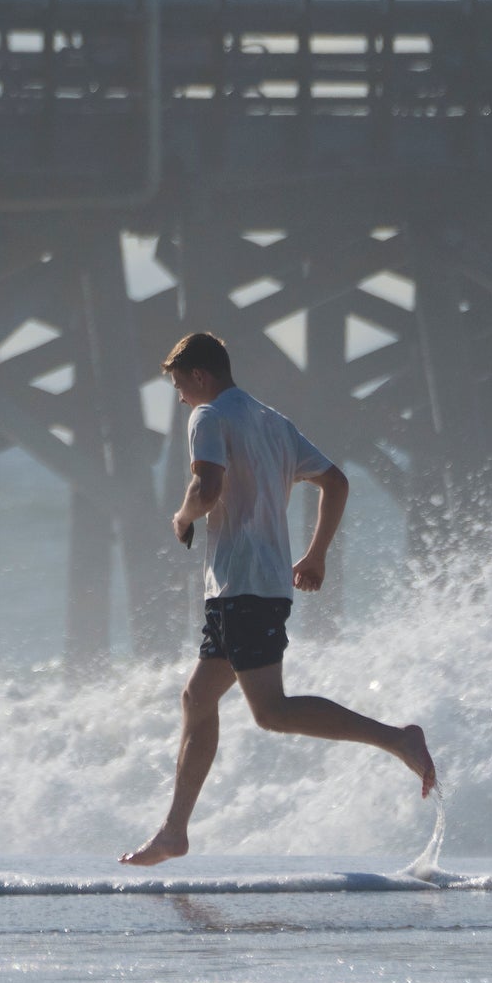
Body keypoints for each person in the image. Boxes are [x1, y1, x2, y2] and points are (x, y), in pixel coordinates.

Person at [122, 331, 436, 867]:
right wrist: (315, 556)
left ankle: (398, 739)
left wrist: (181, 516)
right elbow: (335, 482)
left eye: (179, 385)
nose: (178, 399)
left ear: (200, 376)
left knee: (270, 711)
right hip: (240, 588)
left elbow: (207, 489)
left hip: (246, 586)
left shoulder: (210, 416)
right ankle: (174, 832)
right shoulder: (273, 421)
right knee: (197, 699)